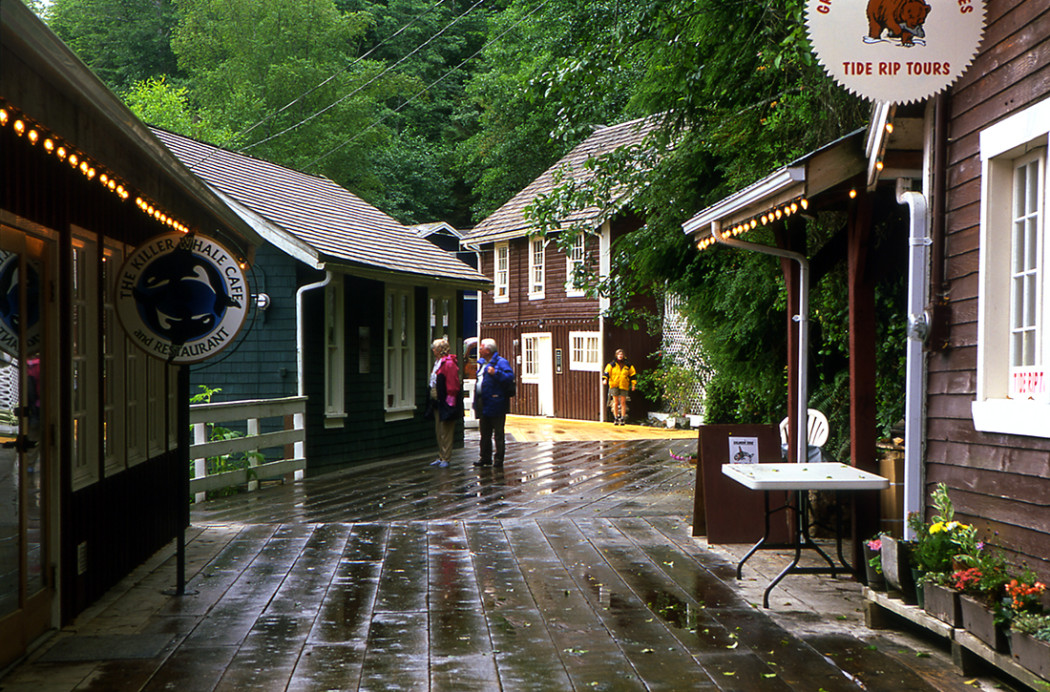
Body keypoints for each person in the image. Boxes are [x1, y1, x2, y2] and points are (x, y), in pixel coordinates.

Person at [473, 337, 514, 467]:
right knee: (484, 433)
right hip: (483, 402)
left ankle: (498, 460)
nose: (479, 350)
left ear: (488, 350)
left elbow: (509, 378)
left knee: (498, 434)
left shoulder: (501, 363)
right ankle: (485, 457)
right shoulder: (482, 363)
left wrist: (496, 373)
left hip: (496, 402)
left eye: (481, 348)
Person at [426, 337, 461, 468]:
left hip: (446, 400)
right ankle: (441, 455)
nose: (433, 350)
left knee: (446, 430)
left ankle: (446, 457)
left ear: (440, 349)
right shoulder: (438, 362)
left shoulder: (449, 363)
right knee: (439, 429)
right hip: (437, 399)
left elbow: (453, 385)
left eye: (434, 348)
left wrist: (450, 402)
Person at [602, 348, 636, 425]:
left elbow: (633, 375)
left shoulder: (628, 365)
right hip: (614, 384)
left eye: (621, 354)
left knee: (623, 402)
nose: (620, 356)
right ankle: (616, 417)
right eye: (619, 354)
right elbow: (606, 372)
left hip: (624, 385)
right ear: (616, 355)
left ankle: (622, 418)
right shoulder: (612, 365)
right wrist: (605, 379)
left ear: (623, 355)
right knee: (616, 402)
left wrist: (633, 384)